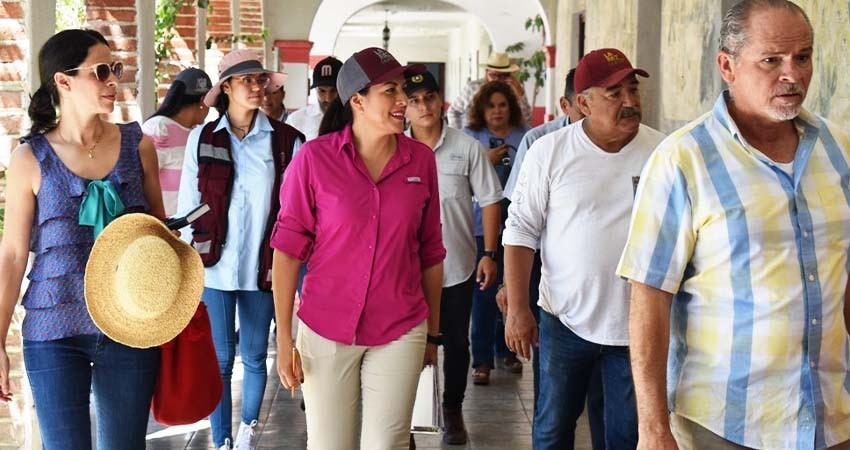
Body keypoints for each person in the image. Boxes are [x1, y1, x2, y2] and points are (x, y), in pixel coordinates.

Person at [617, 2, 850, 449]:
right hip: (725, 424)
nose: (792, 74)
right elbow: (649, 295)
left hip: (831, 418)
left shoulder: (838, 149)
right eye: (771, 60)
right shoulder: (682, 160)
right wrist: (652, 427)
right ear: (727, 66)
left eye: (803, 57)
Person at [271, 47, 445, 450]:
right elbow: (287, 251)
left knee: (387, 444)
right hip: (326, 326)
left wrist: (433, 336)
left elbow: (431, 253)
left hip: (400, 325)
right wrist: (284, 340)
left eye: (402, 89)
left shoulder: (421, 162)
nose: (403, 100)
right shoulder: (314, 159)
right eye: (390, 91)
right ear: (358, 101)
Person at [0, 29, 166, 450]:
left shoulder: (139, 146)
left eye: (116, 69)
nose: (114, 81)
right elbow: (13, 255)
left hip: (130, 325)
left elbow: (159, 236)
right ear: (63, 81)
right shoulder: (29, 158)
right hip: (53, 329)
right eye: (101, 71)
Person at [504, 48, 665, 450]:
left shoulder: (663, 153)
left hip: (637, 325)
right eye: (614, 94)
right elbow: (521, 231)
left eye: (633, 89)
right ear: (584, 103)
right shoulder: (549, 152)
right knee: (553, 430)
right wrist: (518, 309)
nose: (629, 101)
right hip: (564, 320)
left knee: (626, 436)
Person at [176, 49, 304, 450]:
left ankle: (246, 433)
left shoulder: (287, 141)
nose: (256, 87)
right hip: (213, 265)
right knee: (218, 359)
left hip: (264, 265)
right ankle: (222, 441)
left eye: (260, 79)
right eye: (246, 80)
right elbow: (188, 205)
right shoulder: (202, 138)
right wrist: (185, 261)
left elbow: (296, 210)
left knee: (254, 355)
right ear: (227, 87)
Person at [498, 67, 606, 450]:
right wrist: (513, 294)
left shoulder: (634, 144)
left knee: (612, 414)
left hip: (613, 301)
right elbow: (518, 222)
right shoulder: (541, 143)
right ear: (570, 104)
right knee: (554, 406)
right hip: (547, 276)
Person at [404, 70, 502, 445]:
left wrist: (489, 253)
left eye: (429, 97)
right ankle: (411, 419)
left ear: (440, 100)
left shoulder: (467, 148)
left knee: (457, 345)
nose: (423, 107)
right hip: (406, 273)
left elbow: (490, 200)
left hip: (456, 268)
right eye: (414, 101)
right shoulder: (395, 147)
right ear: (404, 108)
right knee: (407, 347)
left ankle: (452, 408)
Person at [462, 81, 529, 386]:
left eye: (502, 105)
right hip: (480, 227)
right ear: (481, 109)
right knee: (484, 295)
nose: (497, 111)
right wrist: (484, 163)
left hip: (517, 228)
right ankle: (482, 359)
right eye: (491, 106)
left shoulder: (524, 137)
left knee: (512, 290)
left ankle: (508, 351)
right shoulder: (470, 138)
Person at [142, 67, 212, 217]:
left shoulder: (197, 133)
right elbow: (143, 180)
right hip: (162, 225)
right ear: (203, 101)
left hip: (189, 226)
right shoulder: (159, 128)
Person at [448, 52, 532, 130]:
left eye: (502, 76)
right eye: (493, 75)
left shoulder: (513, 90)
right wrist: (459, 134)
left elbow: (527, 120)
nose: (497, 79)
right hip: (472, 136)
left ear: (508, 76)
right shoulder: (473, 88)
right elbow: (453, 111)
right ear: (486, 73)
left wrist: (520, 94)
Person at [286, 56, 343, 141]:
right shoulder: (295, 121)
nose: (328, 98)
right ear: (315, 90)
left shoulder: (356, 119)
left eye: (334, 91)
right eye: (322, 91)